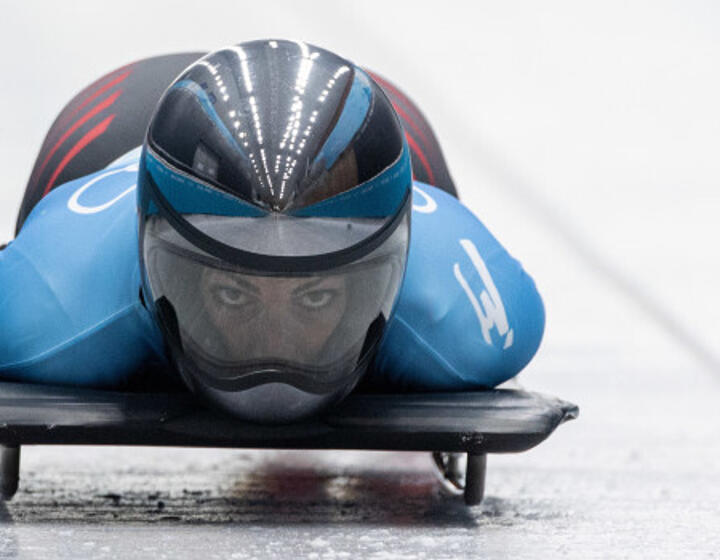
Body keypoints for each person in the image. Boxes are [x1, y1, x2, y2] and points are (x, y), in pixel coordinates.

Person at [0, 40, 545, 423]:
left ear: (394, 267)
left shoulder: (461, 317)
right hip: (117, 119)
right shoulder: (48, 299)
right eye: (234, 292)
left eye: (315, 296)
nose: (275, 348)